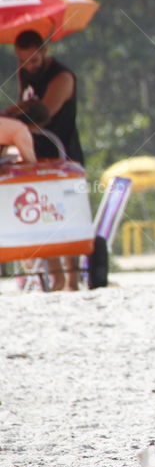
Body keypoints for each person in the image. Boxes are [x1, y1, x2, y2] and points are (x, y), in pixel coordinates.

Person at [4, 30, 84, 290]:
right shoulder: (25, 71)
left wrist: (10, 119)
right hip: (36, 154)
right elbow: (24, 106)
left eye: (34, 61)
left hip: (63, 153)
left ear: (45, 53)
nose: (29, 66)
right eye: (23, 60)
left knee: (66, 215)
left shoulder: (62, 76)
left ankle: (71, 279)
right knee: (41, 215)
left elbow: (42, 114)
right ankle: (55, 277)